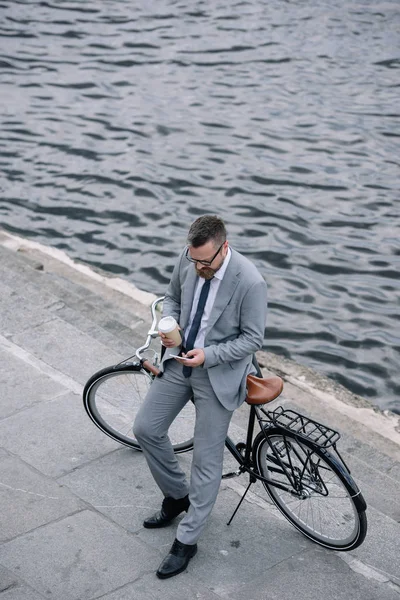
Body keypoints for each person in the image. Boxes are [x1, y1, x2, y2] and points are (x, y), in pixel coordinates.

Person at [133, 215, 267, 579]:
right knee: (146, 428)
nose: (198, 267)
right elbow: (173, 296)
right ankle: (178, 495)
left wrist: (210, 355)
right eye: (194, 260)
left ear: (224, 247)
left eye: (205, 262)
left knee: (206, 462)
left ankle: (187, 540)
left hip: (217, 373)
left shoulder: (250, 282)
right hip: (179, 361)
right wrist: (170, 325)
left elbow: (253, 339)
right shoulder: (190, 256)